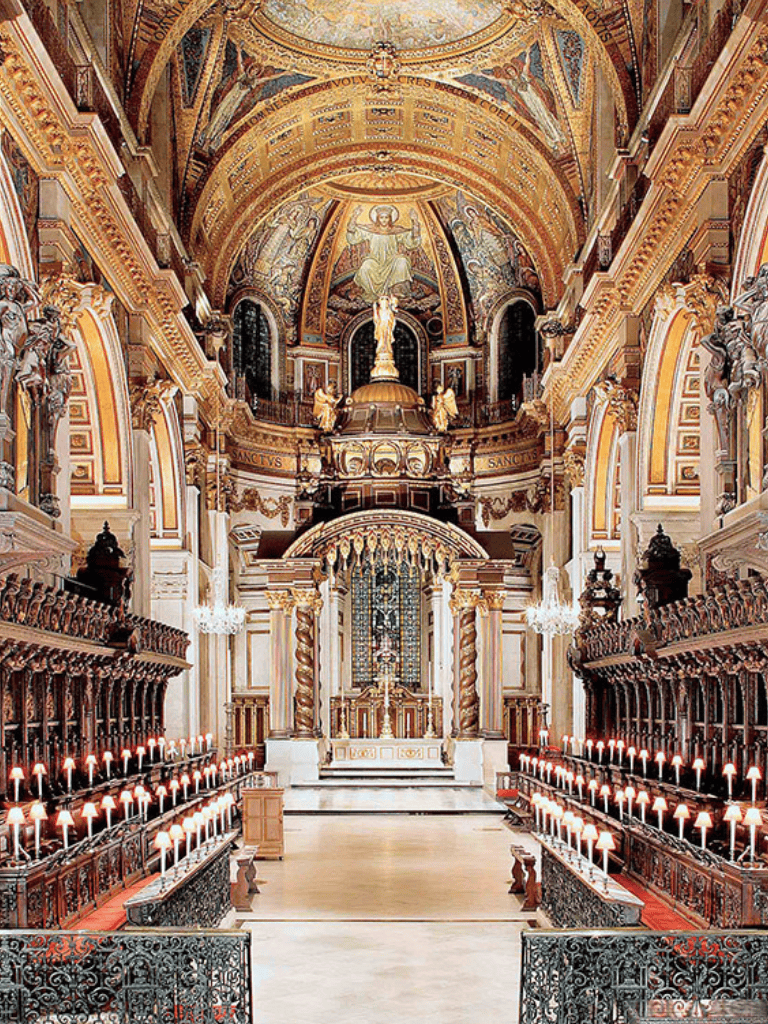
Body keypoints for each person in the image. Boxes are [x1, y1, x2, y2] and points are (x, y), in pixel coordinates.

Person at [346, 205, 421, 302]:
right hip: (375, 261)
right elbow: (353, 238)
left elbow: (412, 243)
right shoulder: (371, 231)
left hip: (391, 261)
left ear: (390, 219)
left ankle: (397, 292)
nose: (384, 220)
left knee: (402, 261)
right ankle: (369, 293)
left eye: (386, 217)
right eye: (381, 217)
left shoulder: (396, 231)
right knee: (366, 266)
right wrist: (354, 217)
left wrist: (415, 221)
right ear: (377, 219)